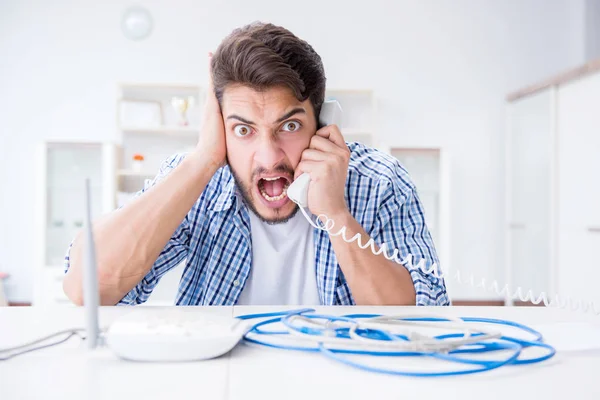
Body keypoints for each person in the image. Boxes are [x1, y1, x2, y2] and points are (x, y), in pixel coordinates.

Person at [63, 22, 449, 307]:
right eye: (244, 130)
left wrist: (335, 214)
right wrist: (203, 160)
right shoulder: (202, 177)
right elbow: (86, 288)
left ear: (325, 122)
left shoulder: (379, 180)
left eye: (290, 125)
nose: (268, 157)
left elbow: (422, 319)